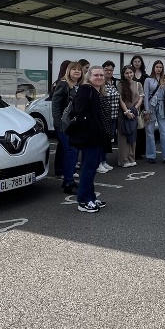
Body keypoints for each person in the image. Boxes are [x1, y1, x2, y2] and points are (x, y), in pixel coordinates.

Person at [67, 65, 111, 213]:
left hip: (97, 136)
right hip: (90, 137)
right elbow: (81, 113)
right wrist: (91, 130)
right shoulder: (86, 89)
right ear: (89, 76)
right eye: (96, 75)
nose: (99, 77)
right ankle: (83, 201)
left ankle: (91, 197)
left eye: (101, 75)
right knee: (89, 168)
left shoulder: (96, 91)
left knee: (91, 168)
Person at [116, 65, 144, 168]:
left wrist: (134, 109)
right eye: (126, 73)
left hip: (134, 113)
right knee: (123, 138)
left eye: (131, 72)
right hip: (123, 114)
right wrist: (127, 111)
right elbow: (120, 99)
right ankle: (123, 160)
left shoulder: (138, 84)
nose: (129, 75)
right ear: (123, 74)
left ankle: (131, 158)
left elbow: (141, 98)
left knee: (133, 136)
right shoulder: (120, 84)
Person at [143, 59, 165, 164]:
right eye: (157, 67)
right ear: (153, 68)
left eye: (160, 67)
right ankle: (151, 155)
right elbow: (145, 95)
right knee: (150, 131)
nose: (159, 69)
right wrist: (146, 111)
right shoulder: (148, 80)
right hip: (151, 105)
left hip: (162, 106)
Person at [51, 59, 73, 178]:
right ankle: (62, 171)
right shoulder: (62, 83)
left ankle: (62, 170)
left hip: (67, 121)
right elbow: (55, 103)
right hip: (62, 121)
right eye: (72, 68)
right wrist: (58, 121)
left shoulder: (71, 83)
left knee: (64, 146)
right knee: (66, 147)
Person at [99, 60, 119, 174]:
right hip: (104, 116)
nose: (109, 72)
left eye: (111, 70)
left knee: (108, 140)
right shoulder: (100, 82)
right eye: (106, 70)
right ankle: (98, 162)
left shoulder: (113, 82)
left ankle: (104, 160)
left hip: (114, 115)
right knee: (102, 140)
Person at [129, 54, 148, 160]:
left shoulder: (145, 76)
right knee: (132, 128)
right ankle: (132, 152)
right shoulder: (129, 74)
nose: (137, 63)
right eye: (135, 61)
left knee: (141, 128)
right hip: (131, 104)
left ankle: (140, 151)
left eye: (138, 61)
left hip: (142, 104)